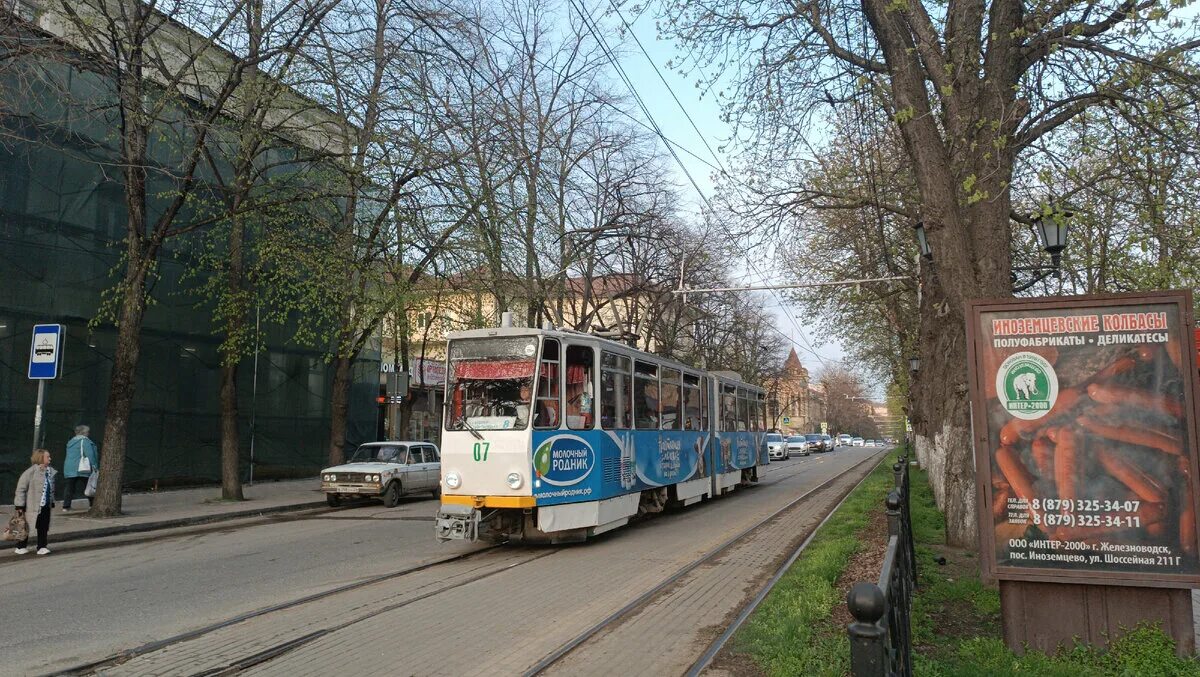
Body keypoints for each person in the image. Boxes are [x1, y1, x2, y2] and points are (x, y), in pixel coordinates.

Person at [13, 449, 56, 555]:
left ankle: (42, 546)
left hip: (45, 505)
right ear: (41, 458)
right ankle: (20, 546)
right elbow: (21, 489)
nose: (50, 458)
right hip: (31, 506)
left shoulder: (50, 471)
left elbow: (51, 489)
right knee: (25, 526)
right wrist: (19, 505)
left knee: (43, 527)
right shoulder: (30, 472)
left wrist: (51, 501)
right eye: (47, 457)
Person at [63, 424, 99, 512]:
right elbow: (90, 454)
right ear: (84, 432)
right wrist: (95, 466)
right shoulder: (85, 441)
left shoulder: (71, 441)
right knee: (90, 485)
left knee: (69, 487)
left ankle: (66, 506)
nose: (88, 433)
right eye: (88, 432)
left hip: (69, 468)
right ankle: (92, 504)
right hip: (82, 468)